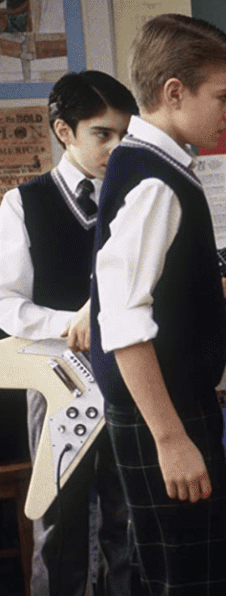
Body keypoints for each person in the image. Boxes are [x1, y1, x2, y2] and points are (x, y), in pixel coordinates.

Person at [89, 13, 226, 596]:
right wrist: (173, 440)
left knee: (176, 574)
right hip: (166, 415)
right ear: (174, 92)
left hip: (166, 408)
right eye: (223, 96)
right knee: (188, 582)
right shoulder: (156, 183)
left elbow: (111, 284)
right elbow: (124, 323)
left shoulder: (147, 164)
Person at [0, 70, 137, 596]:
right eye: (103, 134)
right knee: (59, 528)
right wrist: (66, 322)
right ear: (64, 131)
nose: (116, 145)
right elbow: (7, 305)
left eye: (124, 133)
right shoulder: (23, 205)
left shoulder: (134, 202)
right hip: (58, 385)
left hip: (127, 380)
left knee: (128, 524)